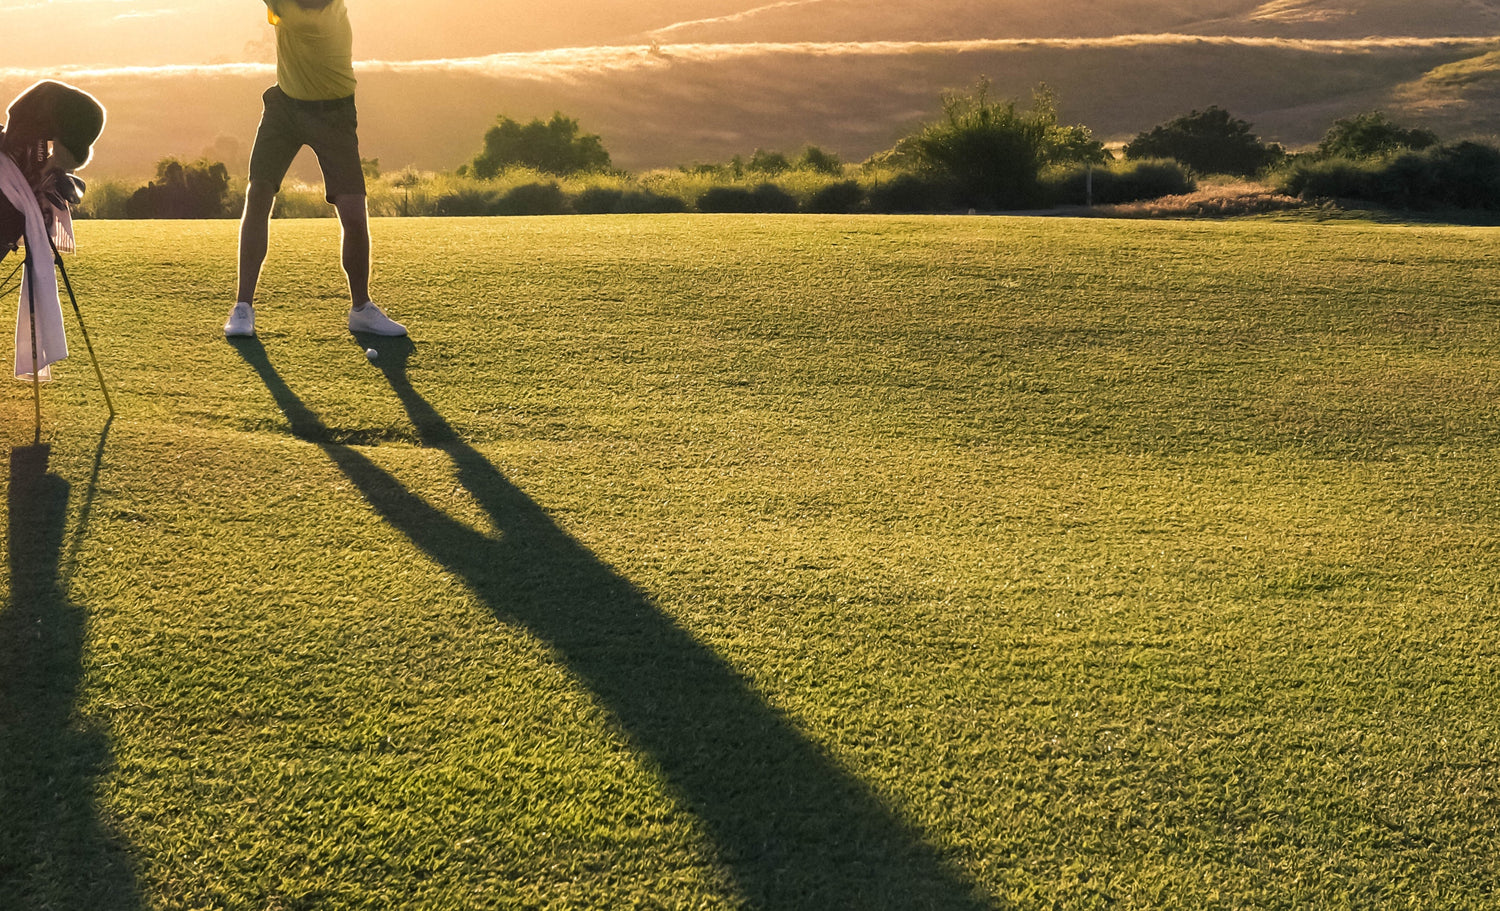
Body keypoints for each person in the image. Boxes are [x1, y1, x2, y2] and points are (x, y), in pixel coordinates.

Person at [225, 0, 406, 338]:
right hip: (285, 109)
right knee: (259, 192)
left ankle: (361, 309)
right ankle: (242, 307)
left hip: (335, 115)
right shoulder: (286, 4)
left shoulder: (321, 5)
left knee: (353, 213)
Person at [1, 80, 105, 260]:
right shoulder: (41, 124)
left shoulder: (78, 120)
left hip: (29, 120)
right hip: (29, 123)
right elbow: (41, 164)